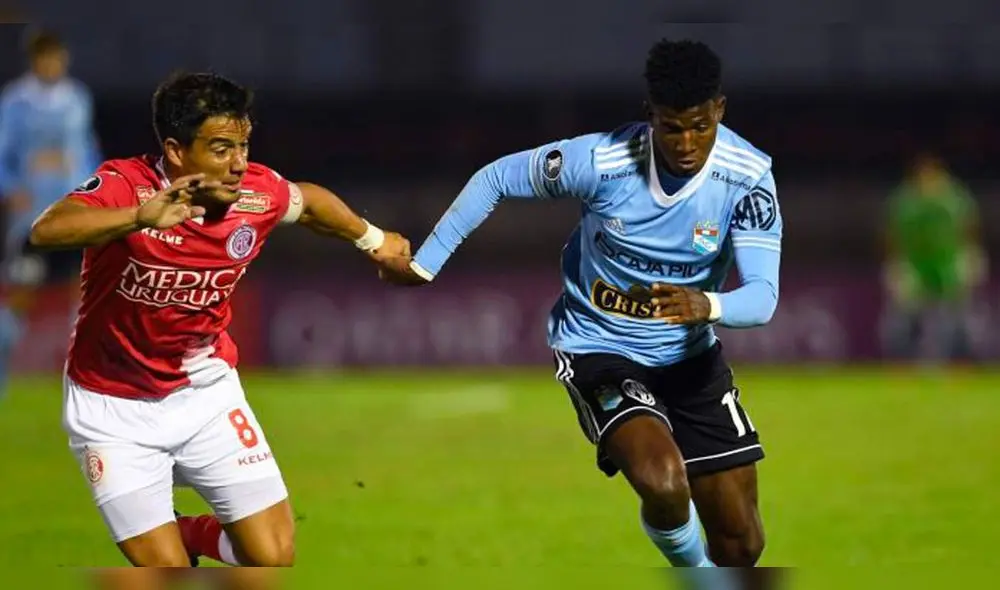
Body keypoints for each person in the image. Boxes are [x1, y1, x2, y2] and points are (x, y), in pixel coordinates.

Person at [380, 39, 781, 573]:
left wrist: (706, 304)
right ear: (650, 116)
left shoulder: (747, 177)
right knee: (663, 482)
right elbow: (497, 178)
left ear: (720, 111)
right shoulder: (602, 161)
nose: (687, 142)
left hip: (691, 360)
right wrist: (426, 263)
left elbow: (763, 297)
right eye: (672, 126)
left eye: (700, 126)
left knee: (742, 546)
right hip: (599, 348)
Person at [29, 71, 411, 568]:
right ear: (175, 149)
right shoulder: (127, 185)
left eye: (243, 145)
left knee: (272, 558)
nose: (238, 164)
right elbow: (48, 228)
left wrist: (373, 240)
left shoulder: (256, 193)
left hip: (203, 394)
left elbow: (309, 202)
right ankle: (162, 538)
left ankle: (180, 532)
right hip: (110, 408)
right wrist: (139, 217)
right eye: (220, 148)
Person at [0, 29, 102, 386]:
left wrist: (95, 190)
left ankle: (84, 377)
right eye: (45, 57)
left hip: (72, 210)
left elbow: (87, 149)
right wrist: (11, 189)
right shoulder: (15, 101)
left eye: (56, 57)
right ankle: (3, 369)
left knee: (85, 290)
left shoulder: (77, 98)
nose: (52, 64)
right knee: (22, 290)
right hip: (33, 218)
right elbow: (2, 153)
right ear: (34, 60)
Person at [881, 152, 985, 361]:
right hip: (915, 266)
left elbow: (970, 226)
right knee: (902, 316)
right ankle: (897, 360)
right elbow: (891, 233)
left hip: (948, 264)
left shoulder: (954, 198)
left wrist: (970, 256)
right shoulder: (906, 201)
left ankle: (963, 361)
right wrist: (895, 262)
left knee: (955, 317)